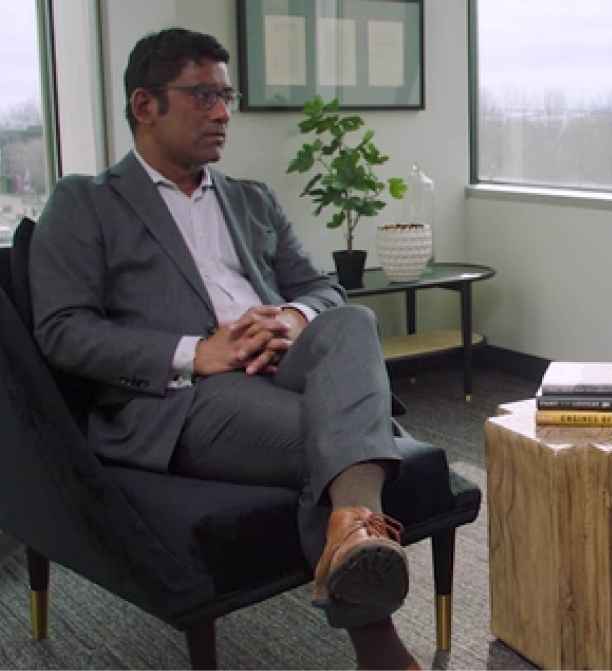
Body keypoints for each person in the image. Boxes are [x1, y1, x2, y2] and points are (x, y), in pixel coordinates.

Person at [30, 28, 421, 669]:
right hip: (189, 397)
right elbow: (63, 329)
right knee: (338, 439)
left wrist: (293, 318)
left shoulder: (251, 198)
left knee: (351, 324)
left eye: (227, 96)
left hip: (286, 363)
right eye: (203, 95)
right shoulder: (85, 203)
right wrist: (194, 351)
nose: (222, 113)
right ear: (145, 105)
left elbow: (322, 288)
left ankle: (354, 524)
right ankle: (375, 640)